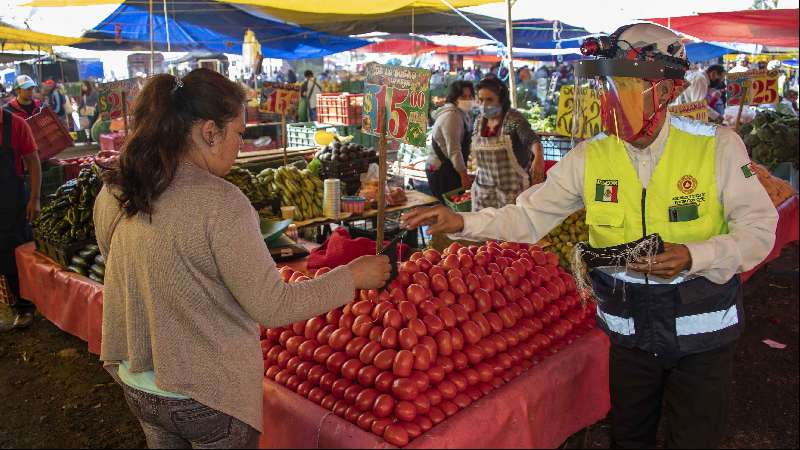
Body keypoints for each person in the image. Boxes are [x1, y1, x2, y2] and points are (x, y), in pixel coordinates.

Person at [402, 23, 778, 449]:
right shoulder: (591, 155)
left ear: (668, 90)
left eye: (629, 84)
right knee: (628, 436)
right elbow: (528, 217)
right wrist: (462, 223)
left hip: (703, 338)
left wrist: (695, 255)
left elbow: (759, 232)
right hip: (629, 336)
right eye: (609, 83)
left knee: (694, 438)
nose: (613, 97)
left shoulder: (718, 146)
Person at [93, 69, 390, 449]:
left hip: (140, 386)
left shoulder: (118, 187)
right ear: (209, 132)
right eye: (239, 133)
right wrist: (351, 276)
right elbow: (272, 305)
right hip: (207, 396)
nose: (239, 144)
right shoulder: (221, 202)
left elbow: (117, 261)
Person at [470, 76, 544, 211]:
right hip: (484, 193)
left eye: (489, 100)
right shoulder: (479, 121)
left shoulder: (514, 119)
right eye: (480, 100)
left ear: (501, 100)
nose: (484, 105)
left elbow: (532, 140)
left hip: (512, 193)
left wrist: (538, 157)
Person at [0, 95, 41, 332]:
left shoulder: (15, 124)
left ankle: (24, 307)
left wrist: (35, 198)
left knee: (15, 256)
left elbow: (33, 162)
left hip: (12, 202)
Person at [426, 80, 475, 201]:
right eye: (463, 96)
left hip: (450, 168)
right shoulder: (452, 116)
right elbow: (454, 149)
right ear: (454, 97)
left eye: (470, 96)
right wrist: (463, 175)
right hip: (442, 170)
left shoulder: (462, 113)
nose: (467, 99)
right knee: (448, 210)